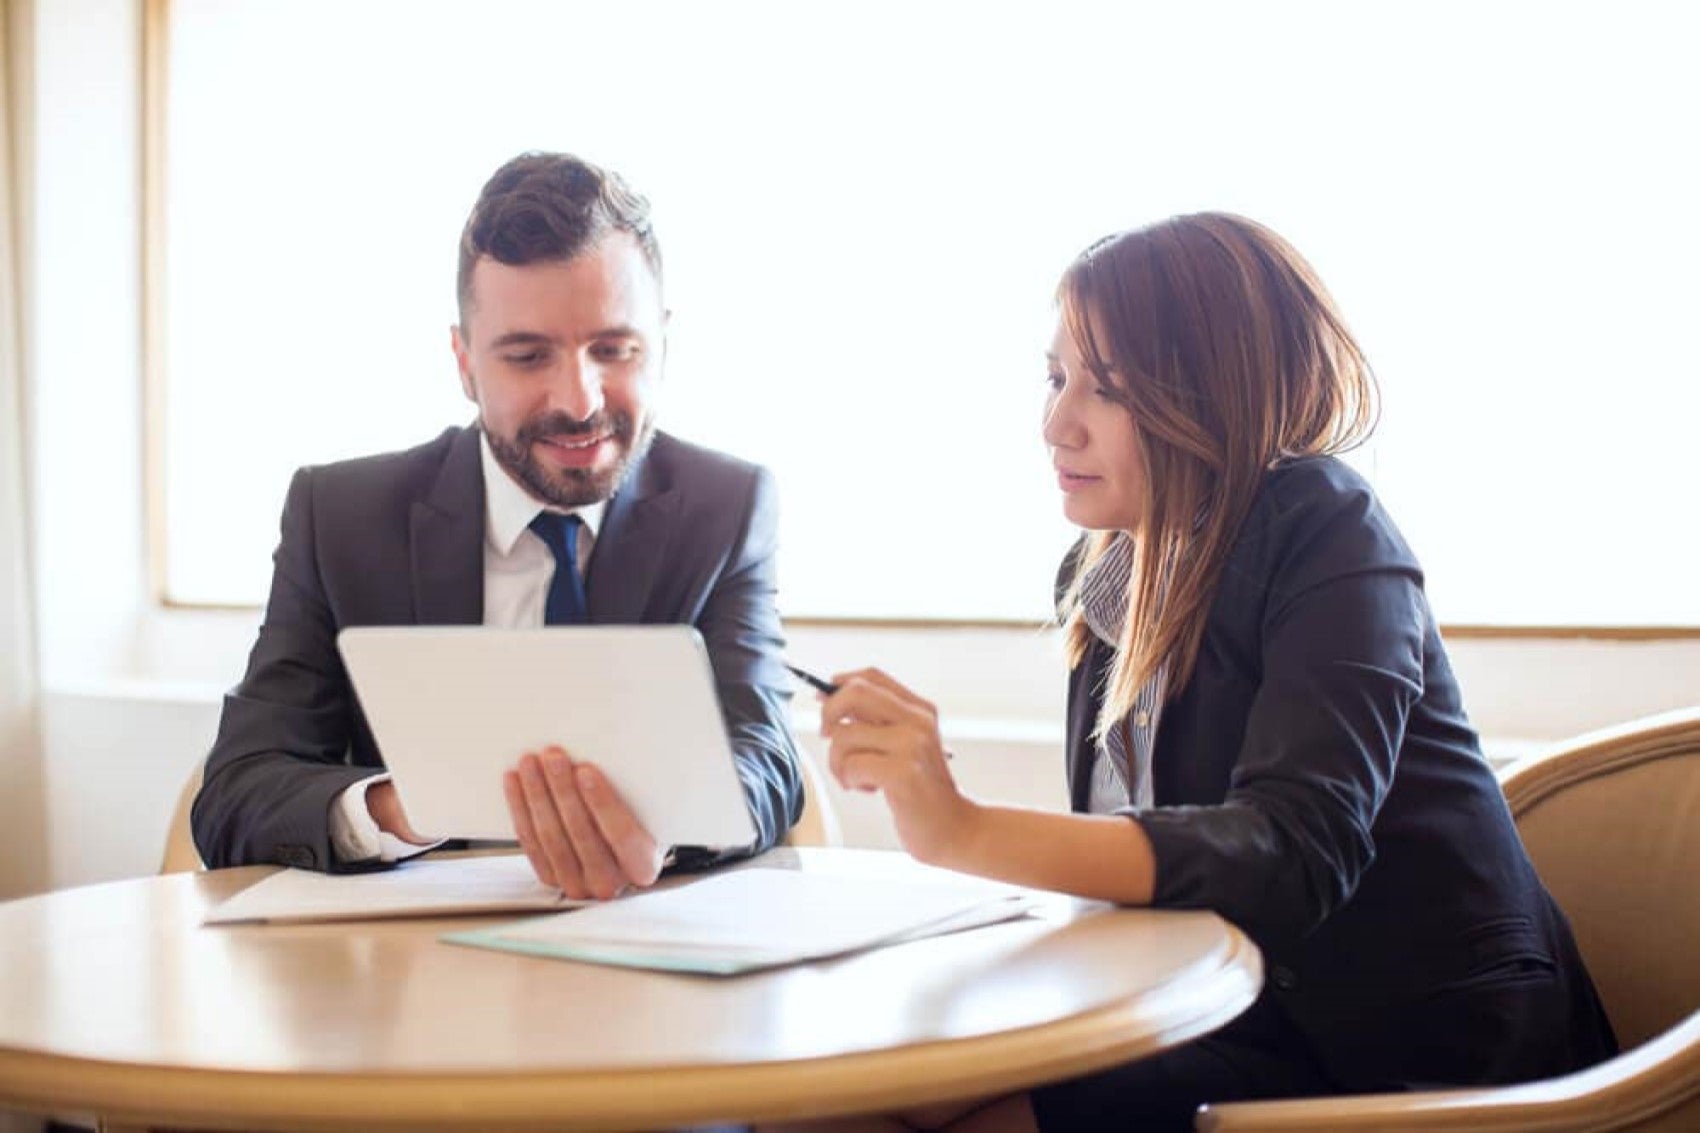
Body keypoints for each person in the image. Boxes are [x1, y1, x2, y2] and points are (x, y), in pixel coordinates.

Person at [789, 214, 1617, 1131]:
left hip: (1418, 1057)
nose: (1055, 424)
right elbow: (1142, 866)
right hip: (1239, 1018)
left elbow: (1293, 851)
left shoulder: (1327, 524)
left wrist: (962, 828)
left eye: (1104, 390)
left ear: (1208, 395)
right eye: (1057, 377)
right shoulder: (1103, 574)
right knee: (840, 1100)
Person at [191, 151, 804, 896]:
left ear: (663, 343)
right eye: (527, 355)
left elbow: (767, 759)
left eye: (614, 349)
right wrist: (404, 805)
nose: (579, 400)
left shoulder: (725, 506)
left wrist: (657, 830)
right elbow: (237, 792)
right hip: (406, 980)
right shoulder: (342, 518)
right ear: (464, 362)